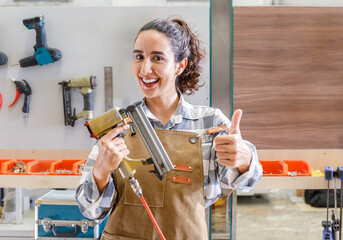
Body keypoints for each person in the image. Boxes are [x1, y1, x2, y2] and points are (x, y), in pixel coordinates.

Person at [76, 17, 262, 240]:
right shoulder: (116, 127)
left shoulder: (210, 123)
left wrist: (244, 160)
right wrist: (101, 171)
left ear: (179, 66)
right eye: (139, 57)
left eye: (157, 58)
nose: (145, 69)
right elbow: (90, 211)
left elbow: (248, 182)